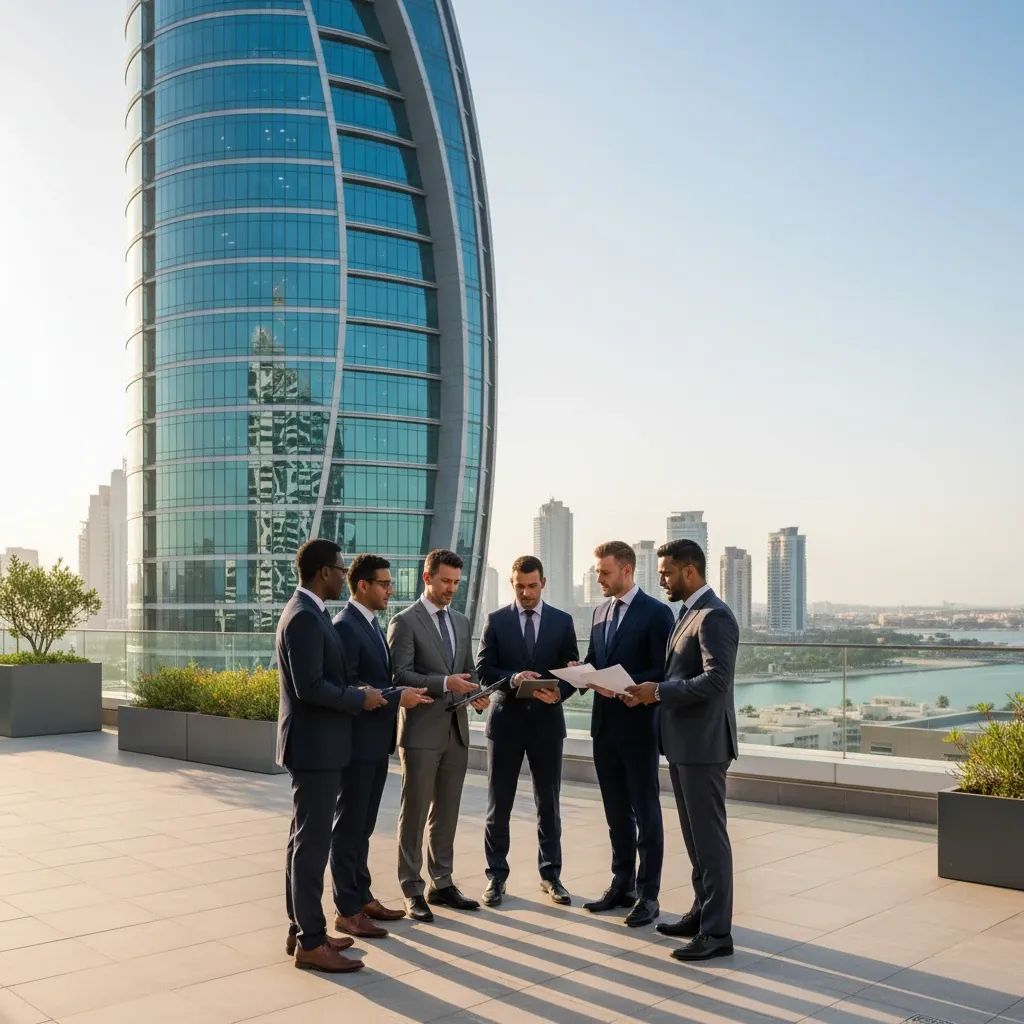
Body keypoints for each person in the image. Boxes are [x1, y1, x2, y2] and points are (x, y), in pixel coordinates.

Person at [626, 539, 739, 962]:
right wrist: (648, 693)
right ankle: (700, 913)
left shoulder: (714, 617)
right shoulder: (688, 613)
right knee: (695, 841)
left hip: (705, 747)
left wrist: (659, 691)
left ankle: (717, 933)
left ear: (690, 571)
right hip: (683, 745)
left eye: (667, 573)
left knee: (710, 842)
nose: (661, 580)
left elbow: (716, 682)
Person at [276, 539, 386, 973]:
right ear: (324, 572)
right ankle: (310, 941)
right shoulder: (304, 617)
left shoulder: (311, 613)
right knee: (311, 847)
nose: (345, 575)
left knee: (303, 841)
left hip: (319, 746)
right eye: (341, 569)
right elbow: (311, 687)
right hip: (315, 748)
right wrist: (359, 698)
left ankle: (301, 930)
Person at [332, 554, 432, 939]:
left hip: (375, 742)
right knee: (350, 826)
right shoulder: (345, 626)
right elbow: (351, 686)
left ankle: (362, 895)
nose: (391, 589)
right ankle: (346, 908)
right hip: (357, 743)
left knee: (364, 825)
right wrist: (396, 697)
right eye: (385, 583)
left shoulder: (370, 624)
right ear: (362, 585)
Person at [388, 549, 488, 921]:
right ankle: (411, 888)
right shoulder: (404, 621)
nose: (451, 589)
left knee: (446, 812)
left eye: (456, 583)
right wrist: (446, 683)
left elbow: (468, 671)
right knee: (414, 813)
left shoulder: (462, 622)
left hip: (457, 731)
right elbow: (399, 676)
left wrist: (478, 694)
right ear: (426, 578)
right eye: (445, 581)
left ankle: (441, 882)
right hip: (420, 731)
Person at [476, 555, 579, 907]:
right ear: (512, 582)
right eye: (520, 586)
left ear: (543, 583)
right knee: (498, 805)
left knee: (548, 804)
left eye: (532, 586)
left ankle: (551, 876)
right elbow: (483, 671)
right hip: (505, 724)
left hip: (547, 725)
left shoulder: (563, 623)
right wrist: (513, 679)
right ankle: (495, 878)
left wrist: (559, 692)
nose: (526, 592)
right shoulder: (495, 620)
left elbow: (572, 672)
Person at [581, 541, 674, 927]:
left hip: (638, 727)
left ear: (627, 570)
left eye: (604, 572)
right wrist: (582, 673)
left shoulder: (657, 613)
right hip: (604, 727)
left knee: (646, 812)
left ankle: (648, 894)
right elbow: (596, 660)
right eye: (598, 572)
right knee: (616, 812)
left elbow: (665, 671)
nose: (598, 578)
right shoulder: (600, 611)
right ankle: (622, 884)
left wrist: (635, 688)